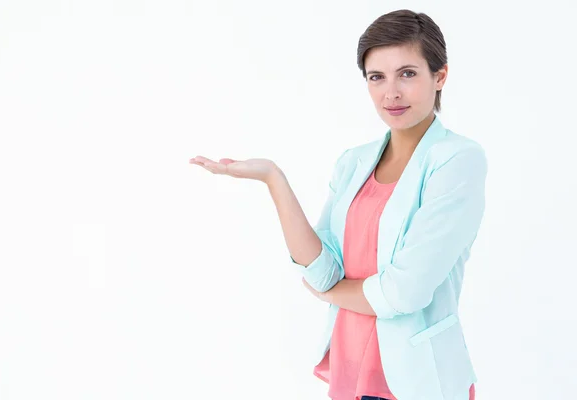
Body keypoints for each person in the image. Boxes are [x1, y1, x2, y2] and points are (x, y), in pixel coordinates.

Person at [190, 9, 485, 400]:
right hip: (350, 374)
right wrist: (273, 179)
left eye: (408, 73)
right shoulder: (354, 162)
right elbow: (321, 270)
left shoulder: (458, 159)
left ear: (440, 76)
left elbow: (404, 293)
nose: (390, 93)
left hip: (418, 381)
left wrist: (329, 293)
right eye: (376, 77)